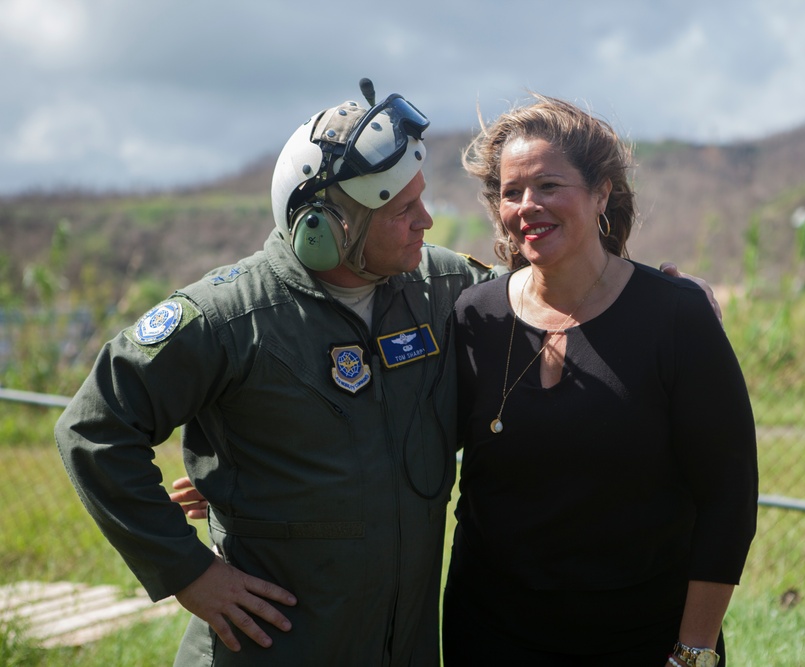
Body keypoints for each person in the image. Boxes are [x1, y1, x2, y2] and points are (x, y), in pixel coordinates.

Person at [56, 80, 721, 667]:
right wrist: (189, 570)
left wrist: (651, 291)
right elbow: (93, 430)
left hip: (400, 646)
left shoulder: (440, 287)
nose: (426, 222)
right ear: (329, 228)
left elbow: (551, 293)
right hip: (273, 649)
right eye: (404, 212)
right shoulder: (228, 318)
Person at [442, 94, 758, 667]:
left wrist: (693, 652)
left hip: (641, 639)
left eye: (548, 185)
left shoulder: (676, 316)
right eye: (511, 192)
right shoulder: (474, 316)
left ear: (602, 193)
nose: (527, 206)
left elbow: (729, 499)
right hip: (490, 636)